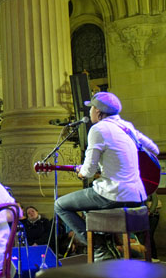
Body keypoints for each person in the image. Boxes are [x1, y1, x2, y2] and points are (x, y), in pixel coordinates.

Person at [54, 92, 160, 261]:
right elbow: (154, 150)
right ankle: (108, 243)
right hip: (137, 195)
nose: (89, 112)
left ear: (98, 112)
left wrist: (81, 172)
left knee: (60, 205)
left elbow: (88, 172)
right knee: (90, 204)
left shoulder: (98, 129)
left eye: (91, 108)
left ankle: (99, 247)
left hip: (115, 193)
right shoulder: (127, 127)